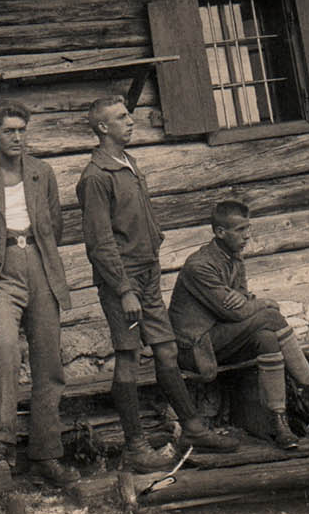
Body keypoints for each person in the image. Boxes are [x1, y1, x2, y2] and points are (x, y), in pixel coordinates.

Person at [77, 96, 243, 466]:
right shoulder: (96, 176)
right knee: (128, 357)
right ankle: (136, 448)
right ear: (103, 128)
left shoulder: (129, 163)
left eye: (129, 115)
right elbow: (100, 243)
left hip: (148, 276)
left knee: (166, 350)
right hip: (124, 282)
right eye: (121, 118)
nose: (131, 121)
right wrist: (123, 290)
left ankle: (195, 429)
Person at [0, 100, 79, 488]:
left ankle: (47, 452)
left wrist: (36, 257)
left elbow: (54, 226)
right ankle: (3, 436)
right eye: (9, 131)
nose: (17, 138)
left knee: (48, 360)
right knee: (6, 346)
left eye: (22, 130)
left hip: (41, 267)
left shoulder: (42, 173)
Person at [170, 200, 309, 448]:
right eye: (240, 230)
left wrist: (250, 304)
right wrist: (265, 303)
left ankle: (278, 422)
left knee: (267, 338)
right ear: (220, 232)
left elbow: (242, 304)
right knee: (270, 316)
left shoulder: (234, 259)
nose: (247, 235)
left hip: (220, 338)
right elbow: (239, 311)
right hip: (194, 348)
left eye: (248, 228)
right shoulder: (199, 265)